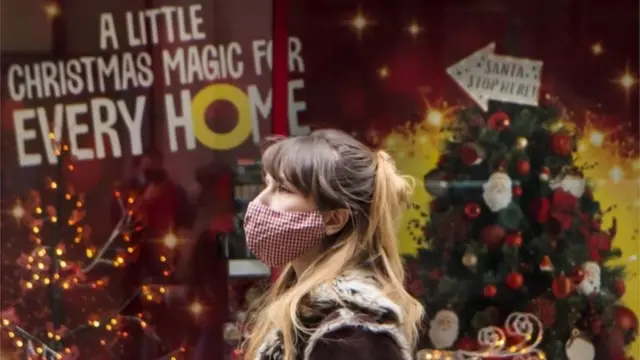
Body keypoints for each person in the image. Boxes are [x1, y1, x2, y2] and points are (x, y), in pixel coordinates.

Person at [241, 129, 424, 360]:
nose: (259, 202)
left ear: (334, 219)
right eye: (266, 185)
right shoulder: (310, 314)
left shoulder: (351, 334)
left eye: (283, 189)